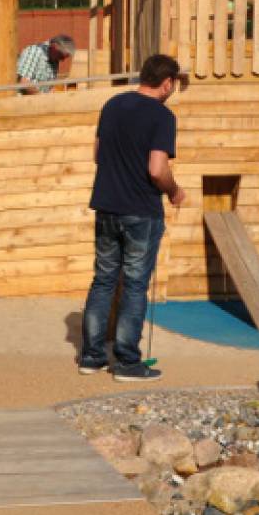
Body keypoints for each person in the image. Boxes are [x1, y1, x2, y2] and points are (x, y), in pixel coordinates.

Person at [76, 53, 187, 381]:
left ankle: (92, 357)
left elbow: (98, 154)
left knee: (103, 280)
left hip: (106, 205)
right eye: (173, 85)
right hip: (140, 210)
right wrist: (174, 191)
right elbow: (157, 169)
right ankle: (127, 362)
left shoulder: (112, 105)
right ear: (167, 83)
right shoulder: (162, 116)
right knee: (135, 285)